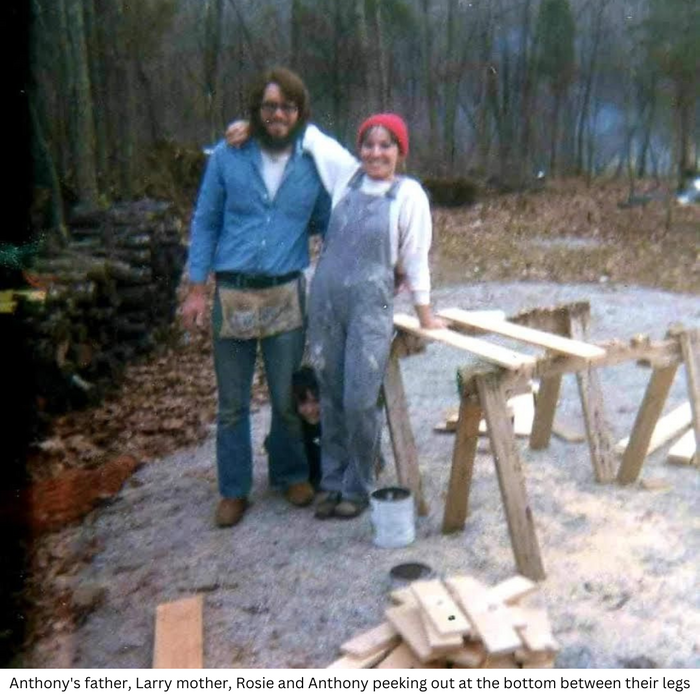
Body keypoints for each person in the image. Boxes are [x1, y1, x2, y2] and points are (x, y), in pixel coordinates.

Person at [226, 113, 444, 519]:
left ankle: (359, 486)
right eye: (369, 144)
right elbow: (306, 133)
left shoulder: (409, 195)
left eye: (386, 145)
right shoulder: (345, 175)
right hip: (325, 303)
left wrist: (425, 314)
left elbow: (415, 258)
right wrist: (253, 129)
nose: (375, 153)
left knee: (360, 398)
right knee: (330, 394)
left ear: (400, 151)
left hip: (370, 307)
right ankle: (332, 482)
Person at [181, 67, 331, 528]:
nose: (278, 114)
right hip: (235, 294)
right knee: (232, 402)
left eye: (287, 106)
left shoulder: (313, 162)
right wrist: (196, 288)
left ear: (299, 112)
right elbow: (206, 221)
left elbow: (329, 223)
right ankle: (234, 489)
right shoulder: (230, 155)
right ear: (257, 111)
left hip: (286, 293)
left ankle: (290, 474)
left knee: (287, 398)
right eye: (269, 106)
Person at [291, 366, 322, 491]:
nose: (310, 410)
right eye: (303, 403)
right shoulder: (296, 427)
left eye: (315, 401)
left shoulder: (333, 425)